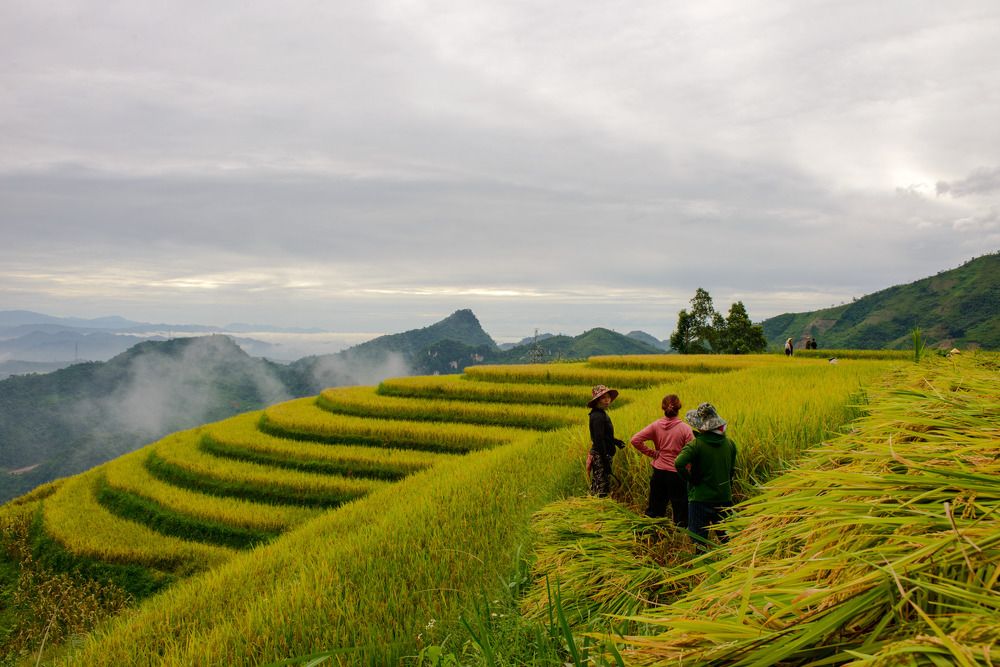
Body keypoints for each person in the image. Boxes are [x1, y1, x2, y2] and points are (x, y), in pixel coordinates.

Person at [675, 402, 737, 549]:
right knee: (727, 538)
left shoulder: (696, 445)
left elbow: (678, 463)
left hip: (700, 499)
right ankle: (732, 566)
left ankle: (702, 565)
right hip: (724, 497)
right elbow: (731, 472)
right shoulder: (730, 444)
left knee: (699, 540)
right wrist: (727, 486)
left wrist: (691, 480)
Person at [630, 394, 695, 524]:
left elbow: (635, 440)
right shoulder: (685, 428)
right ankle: (680, 536)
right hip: (677, 473)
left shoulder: (655, 425)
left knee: (655, 507)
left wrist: (654, 454)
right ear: (679, 407)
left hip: (659, 471)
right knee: (681, 508)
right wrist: (689, 469)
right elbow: (692, 452)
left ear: (663, 407)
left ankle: (652, 533)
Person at [586, 384, 624, 497]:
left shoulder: (600, 413)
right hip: (601, 455)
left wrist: (615, 441)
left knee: (600, 483)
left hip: (602, 454)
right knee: (601, 487)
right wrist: (605, 461)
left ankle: (596, 507)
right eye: (603, 398)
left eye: (608, 397)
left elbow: (604, 436)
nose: (607, 400)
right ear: (597, 400)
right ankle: (598, 510)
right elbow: (598, 440)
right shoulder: (598, 416)